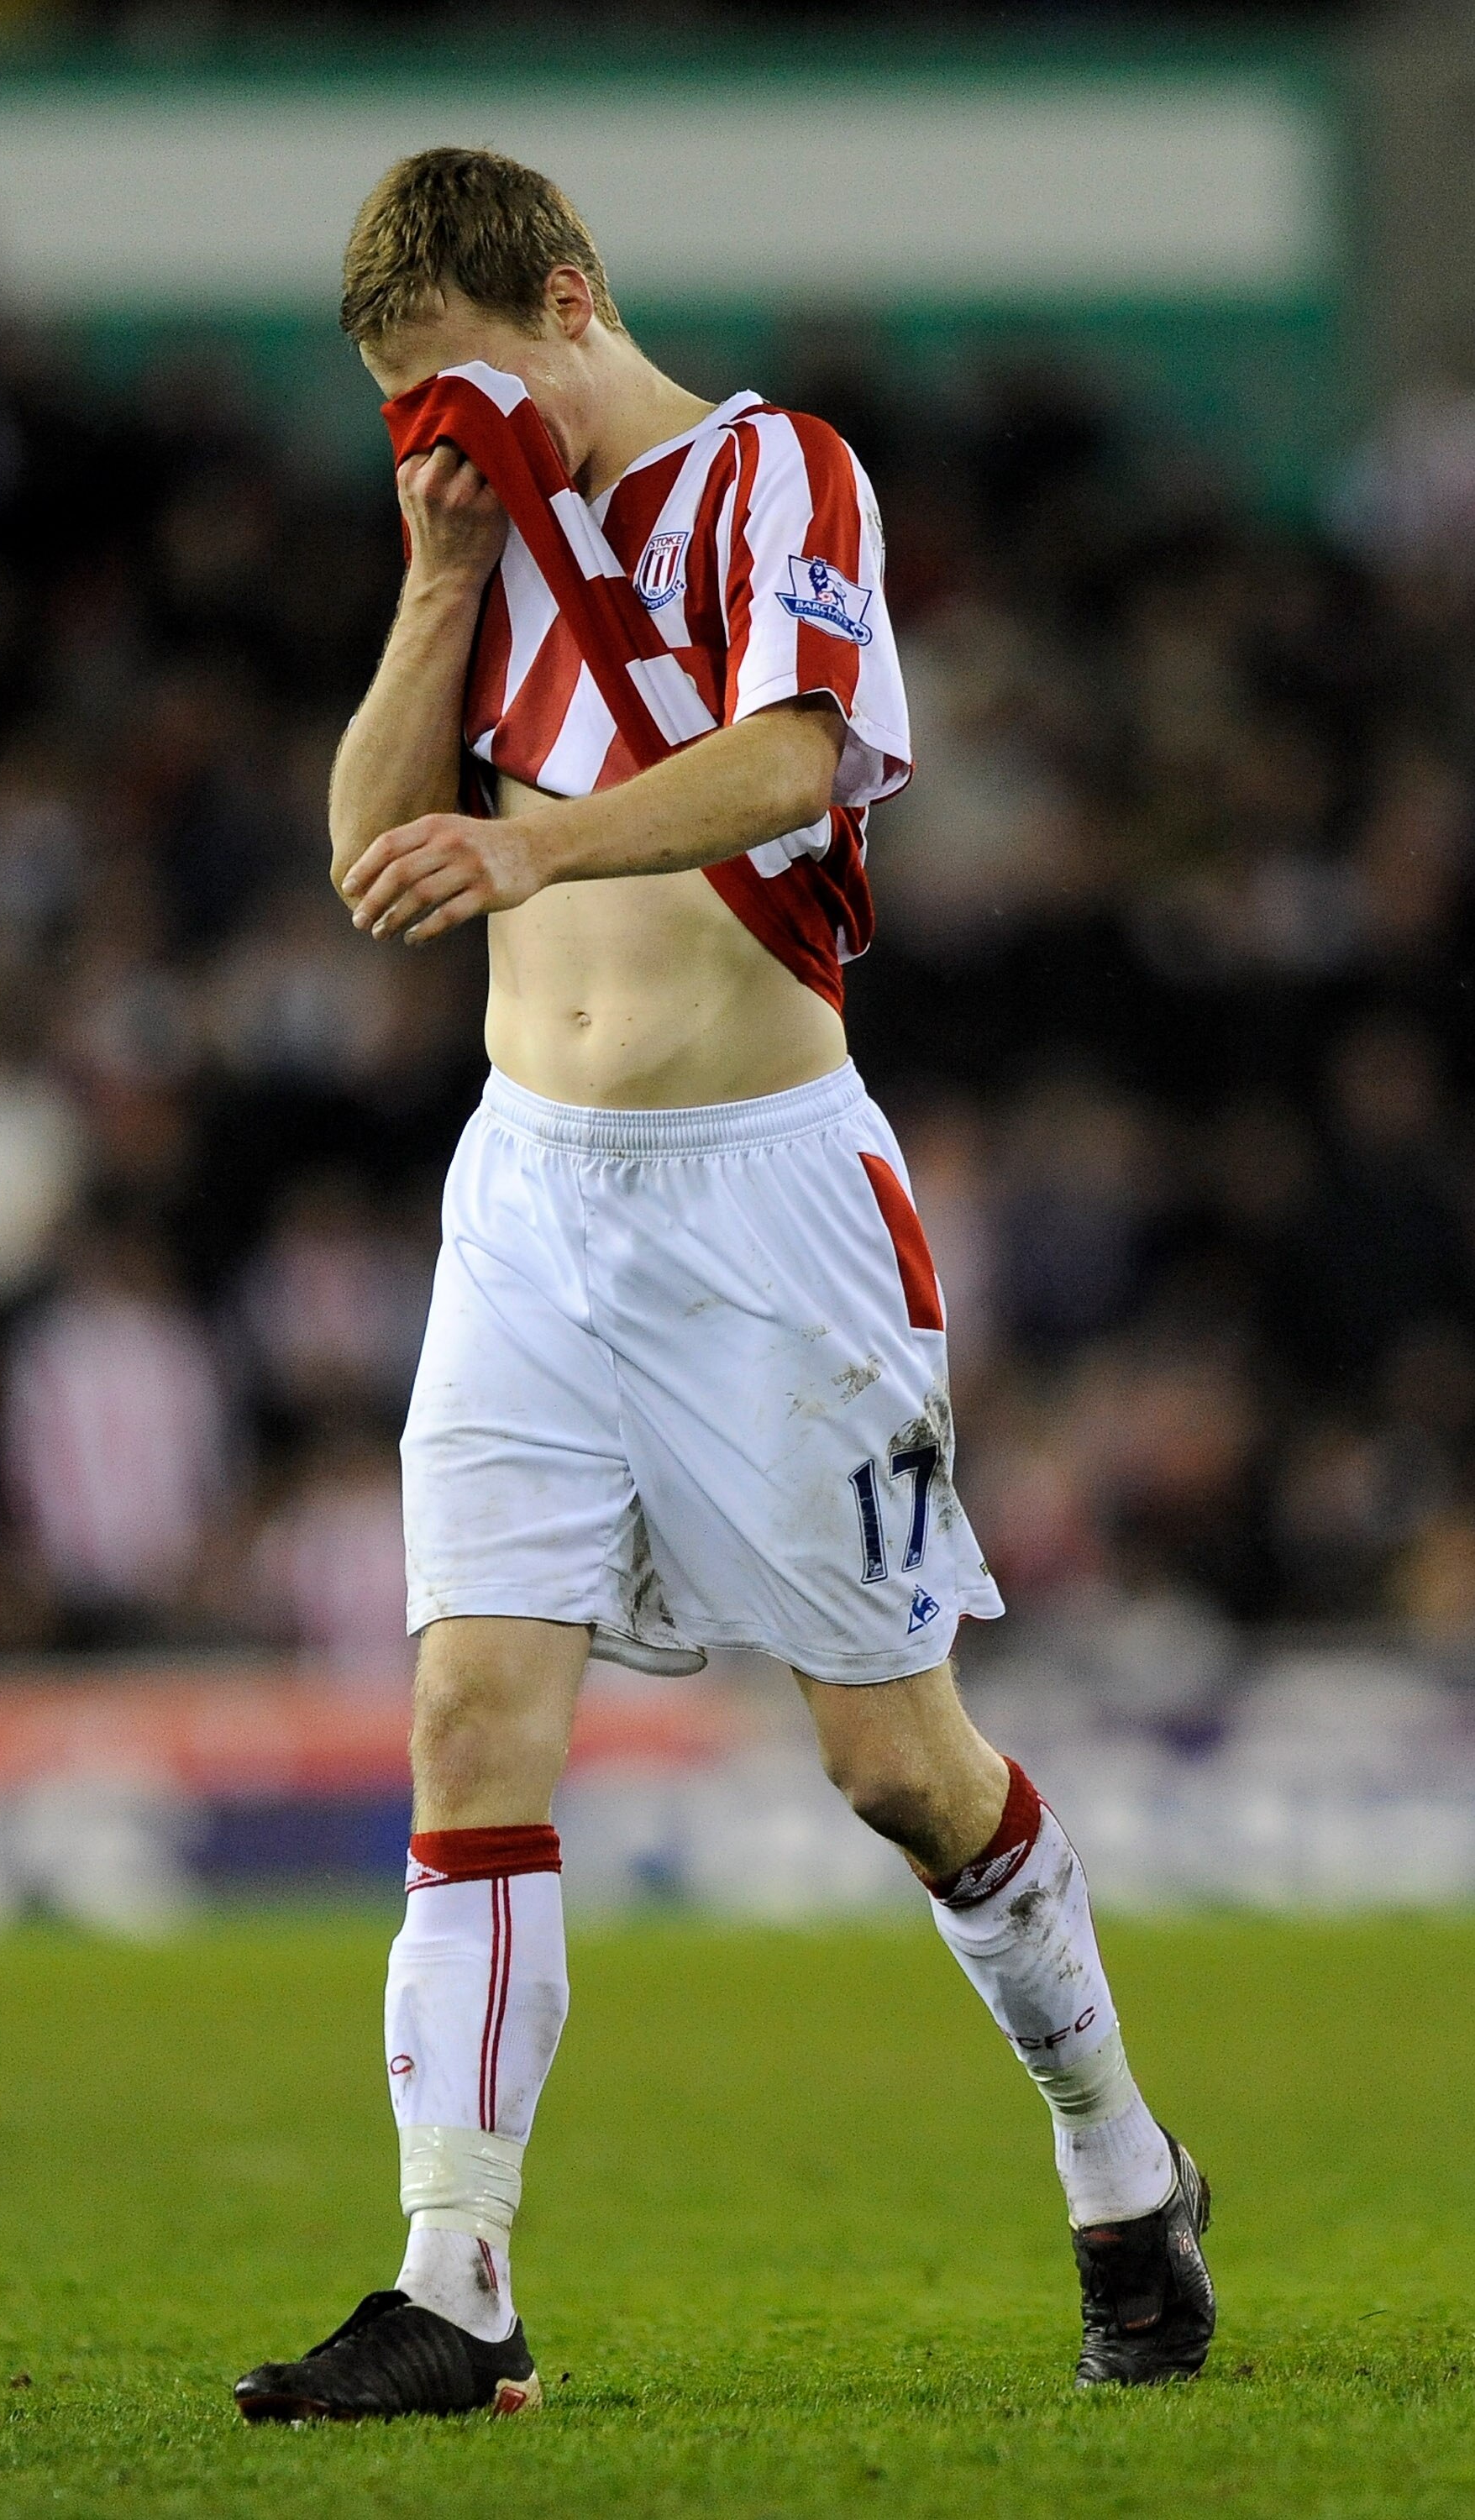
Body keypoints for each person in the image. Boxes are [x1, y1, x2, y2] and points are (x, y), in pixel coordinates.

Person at [234, 147, 1214, 2426]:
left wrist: (531, 836)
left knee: (894, 1765)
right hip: (530, 1198)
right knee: (471, 1715)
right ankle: (453, 2283)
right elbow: (372, 840)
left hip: (762, 1202)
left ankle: (1115, 2158)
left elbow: (786, 766)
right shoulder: (479, 533)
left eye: (470, 394)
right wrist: (433, 573)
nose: (456, 438)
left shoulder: (775, 473)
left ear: (566, 296)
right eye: (410, 415)